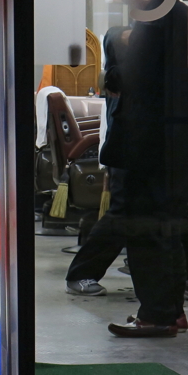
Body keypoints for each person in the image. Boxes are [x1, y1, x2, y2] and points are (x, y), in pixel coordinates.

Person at [104, 0, 188, 338]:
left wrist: (116, 62)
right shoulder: (186, 18)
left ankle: (156, 314)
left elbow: (128, 80)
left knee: (146, 232)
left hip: (150, 147)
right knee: (169, 228)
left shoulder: (153, 23)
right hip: (182, 143)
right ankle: (172, 311)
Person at [65, 26, 131, 296]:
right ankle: (80, 274)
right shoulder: (120, 81)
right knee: (120, 218)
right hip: (124, 158)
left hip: (132, 157)